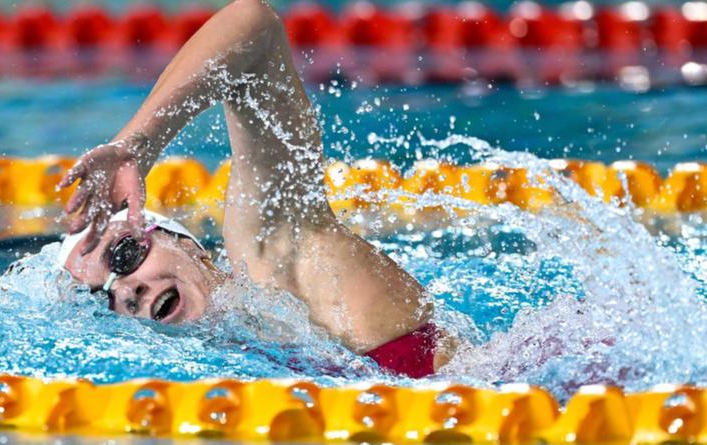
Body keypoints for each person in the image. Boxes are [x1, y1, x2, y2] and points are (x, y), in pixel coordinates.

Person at [57, 0, 457, 378]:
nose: (128, 290)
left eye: (125, 255)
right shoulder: (208, 381)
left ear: (187, 244)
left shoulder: (278, 267)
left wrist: (137, 146)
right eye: (100, 302)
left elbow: (254, 27)